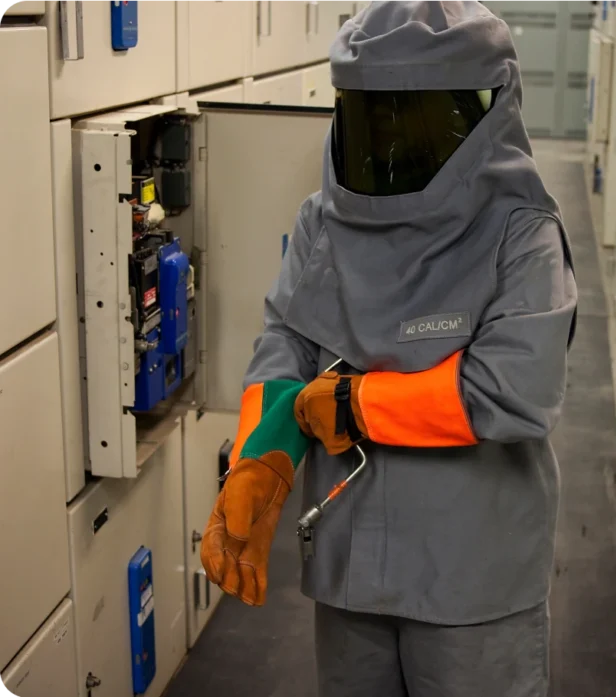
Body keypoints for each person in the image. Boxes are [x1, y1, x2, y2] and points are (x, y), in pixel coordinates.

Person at [201, 0, 578, 695]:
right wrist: (260, 463)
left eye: (412, 111)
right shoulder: (325, 220)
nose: (392, 135)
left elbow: (513, 388)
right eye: (373, 111)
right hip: (353, 573)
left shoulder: (520, 234)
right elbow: (286, 342)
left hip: (473, 587)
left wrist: (356, 403)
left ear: (478, 112)